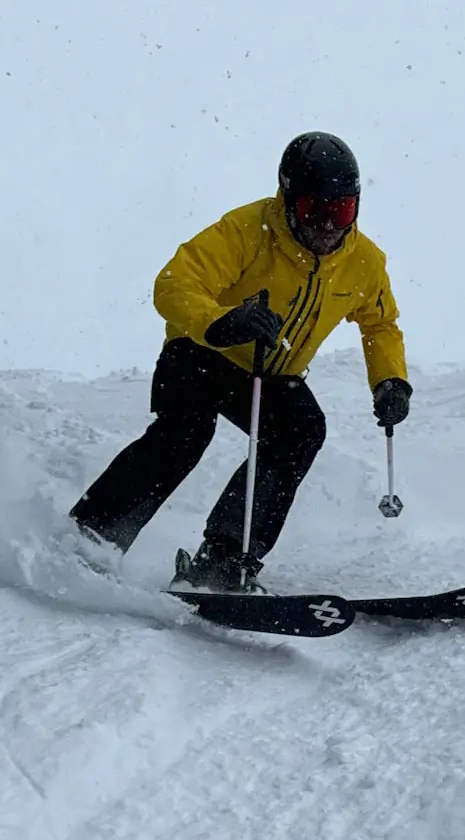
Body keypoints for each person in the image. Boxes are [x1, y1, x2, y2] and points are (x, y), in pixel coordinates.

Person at [69, 132, 414, 592]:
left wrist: (390, 381)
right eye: (315, 211)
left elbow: (380, 324)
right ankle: (92, 536)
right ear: (288, 200)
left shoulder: (363, 261)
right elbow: (174, 283)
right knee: (184, 434)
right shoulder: (247, 231)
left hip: (268, 372)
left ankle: (223, 560)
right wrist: (221, 321)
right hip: (201, 351)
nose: (329, 226)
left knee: (300, 431)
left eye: (343, 211)